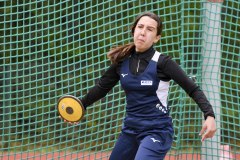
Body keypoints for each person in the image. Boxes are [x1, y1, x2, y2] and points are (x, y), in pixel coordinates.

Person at [64, 12, 217, 160]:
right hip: (130, 130)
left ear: (157, 38)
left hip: (157, 131)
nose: (143, 32)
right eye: (140, 27)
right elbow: (101, 88)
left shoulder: (163, 63)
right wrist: (80, 105)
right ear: (134, 30)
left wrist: (209, 115)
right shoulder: (122, 62)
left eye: (149, 29)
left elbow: (193, 89)